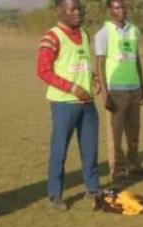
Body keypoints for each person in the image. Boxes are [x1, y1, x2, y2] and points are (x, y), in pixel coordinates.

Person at [37, 0, 100, 211]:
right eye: (72, 9)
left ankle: (92, 188)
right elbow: (44, 71)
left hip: (88, 103)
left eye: (79, 8)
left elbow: (81, 63)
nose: (77, 13)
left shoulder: (84, 33)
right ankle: (55, 195)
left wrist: (93, 78)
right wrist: (73, 88)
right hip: (64, 104)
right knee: (59, 150)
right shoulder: (52, 36)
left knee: (90, 149)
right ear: (59, 10)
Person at [94, 0, 143, 183]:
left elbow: (137, 59)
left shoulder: (134, 30)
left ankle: (134, 166)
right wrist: (105, 94)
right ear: (110, 10)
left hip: (134, 89)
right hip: (115, 92)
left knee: (134, 133)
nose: (121, 11)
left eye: (123, 7)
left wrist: (142, 86)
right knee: (115, 134)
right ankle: (117, 170)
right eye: (116, 7)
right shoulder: (103, 34)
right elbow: (99, 64)